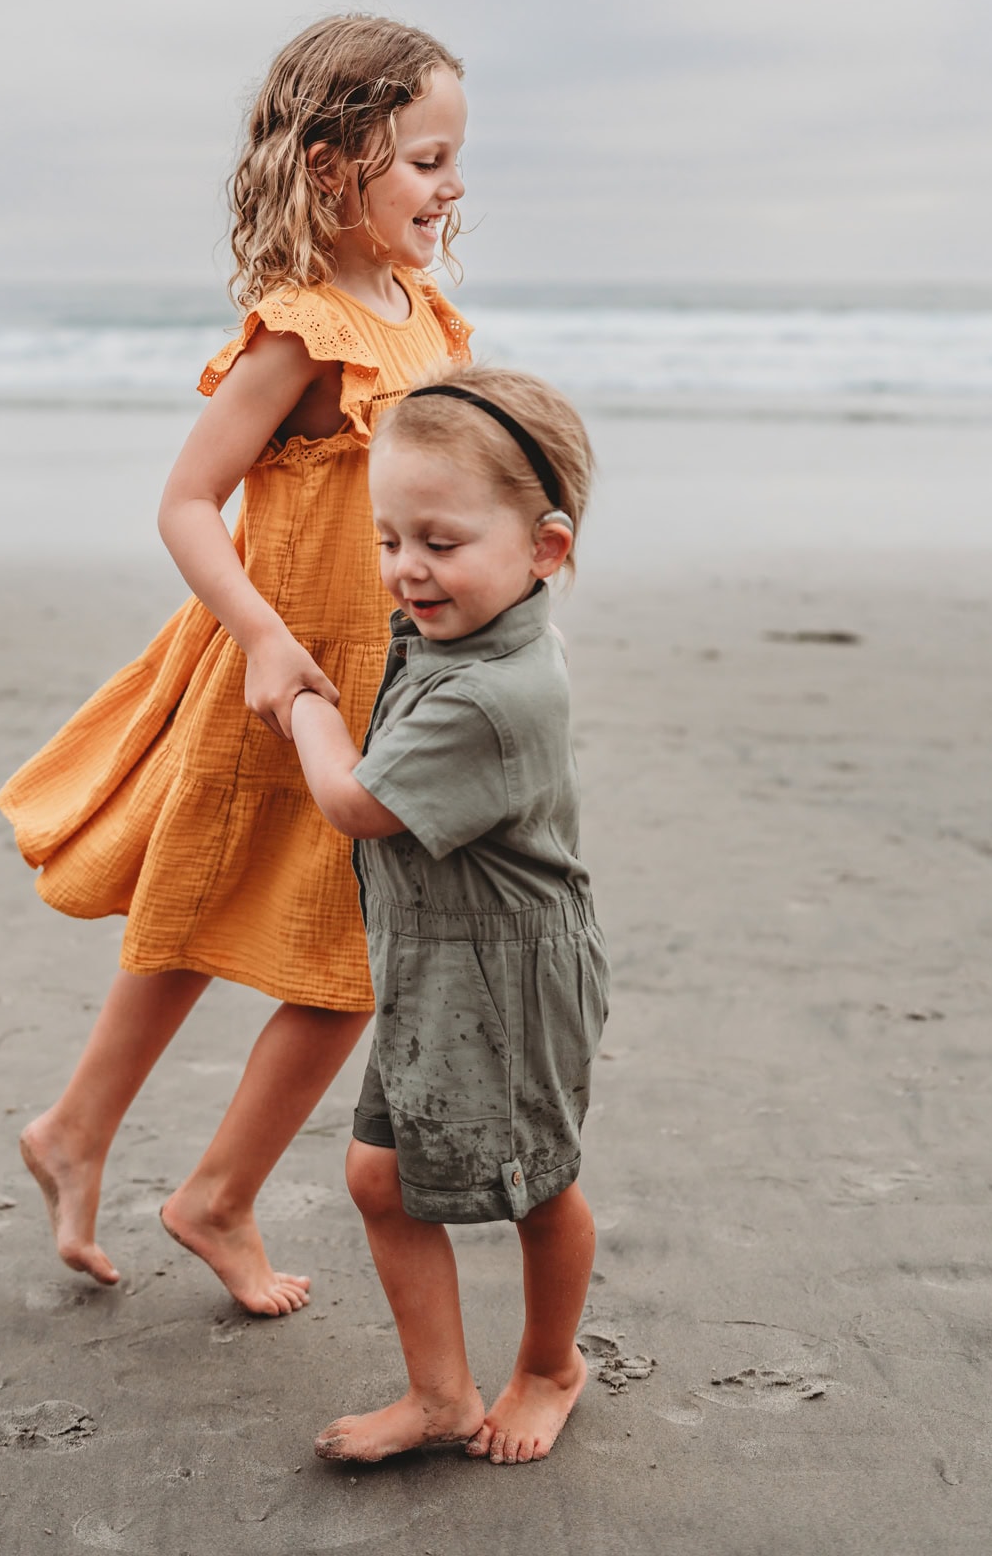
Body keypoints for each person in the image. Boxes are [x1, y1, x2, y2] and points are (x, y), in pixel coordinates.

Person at [0, 15, 472, 1313]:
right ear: (333, 164)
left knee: (290, 942)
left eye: (453, 162)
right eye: (425, 160)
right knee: (258, 931)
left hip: (390, 685)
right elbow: (187, 503)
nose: (451, 187)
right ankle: (186, 1182)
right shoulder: (300, 331)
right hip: (281, 677)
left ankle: (102, 1143)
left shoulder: (426, 315)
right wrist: (266, 637)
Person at [289, 364, 610, 1465]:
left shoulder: (489, 689)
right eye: (388, 539)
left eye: (438, 540)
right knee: (381, 1175)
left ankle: (549, 1365)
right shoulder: (466, 635)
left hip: (510, 976)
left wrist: (296, 703)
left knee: (536, 1183)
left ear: (543, 549)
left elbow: (353, 799)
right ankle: (438, 1393)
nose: (405, 569)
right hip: (439, 966)